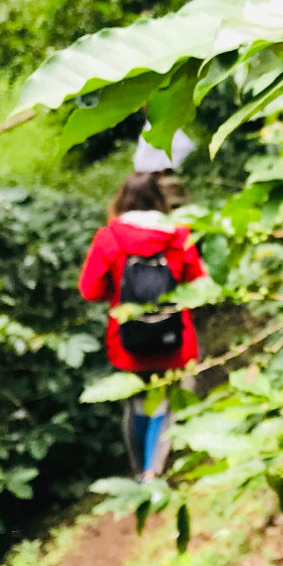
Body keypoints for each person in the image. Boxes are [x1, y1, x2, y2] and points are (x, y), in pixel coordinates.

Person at [78, 167, 204, 478]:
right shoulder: (178, 234)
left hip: (128, 341)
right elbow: (198, 286)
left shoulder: (109, 238)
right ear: (159, 200)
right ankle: (152, 472)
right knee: (163, 401)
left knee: (135, 404)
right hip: (173, 337)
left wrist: (118, 292)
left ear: (122, 200)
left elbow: (89, 290)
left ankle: (139, 470)